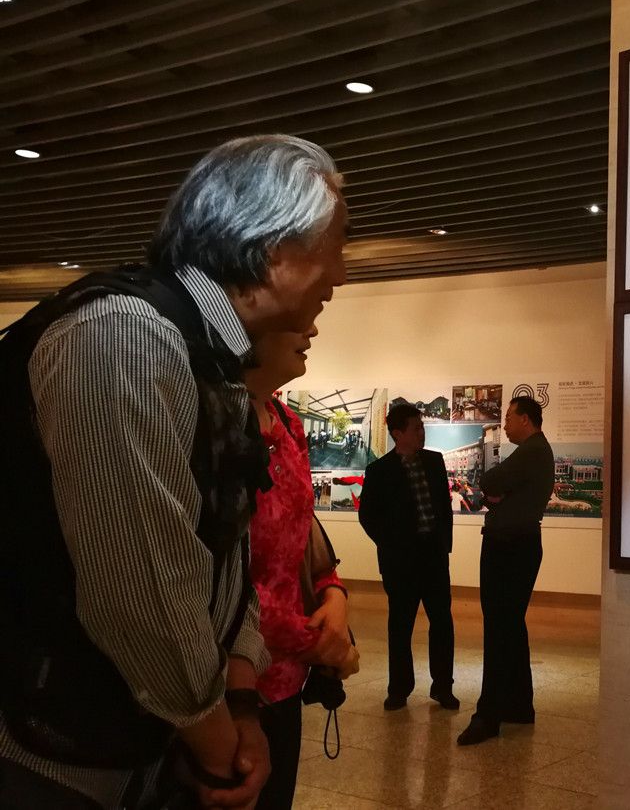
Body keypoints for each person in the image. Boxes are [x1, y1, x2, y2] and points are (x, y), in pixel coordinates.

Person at [0, 134, 349, 809]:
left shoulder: (208, 358)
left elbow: (224, 554)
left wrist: (239, 701)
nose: (341, 272)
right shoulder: (122, 337)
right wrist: (220, 746)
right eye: (336, 241)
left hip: (124, 741)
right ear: (273, 245)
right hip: (47, 748)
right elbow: (139, 592)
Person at [244, 328, 357, 809]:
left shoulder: (287, 423)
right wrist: (326, 646)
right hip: (233, 689)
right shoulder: (216, 426)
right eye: (293, 317)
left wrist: (334, 594)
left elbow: (302, 533)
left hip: (288, 681)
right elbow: (221, 582)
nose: (312, 328)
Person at [458, 397, 555, 746]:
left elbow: (490, 480)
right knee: (511, 627)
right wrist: (498, 493)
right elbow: (496, 488)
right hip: (520, 542)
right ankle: (518, 704)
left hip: (509, 547)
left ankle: (489, 715)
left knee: (499, 629)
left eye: (510, 418)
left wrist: (497, 492)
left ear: (526, 419)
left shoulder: (531, 452)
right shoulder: (537, 451)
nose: (506, 424)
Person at [358, 403, 458, 713]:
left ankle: (443, 687)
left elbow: (443, 507)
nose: (421, 433)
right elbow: (367, 516)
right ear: (397, 433)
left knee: (442, 622)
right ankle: (399, 689)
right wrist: (390, 545)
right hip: (400, 562)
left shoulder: (434, 461)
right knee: (400, 626)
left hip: (433, 557)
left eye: (422, 427)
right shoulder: (379, 470)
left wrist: (444, 546)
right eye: (415, 428)